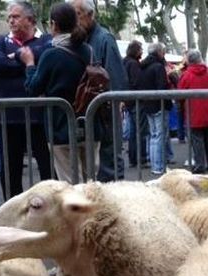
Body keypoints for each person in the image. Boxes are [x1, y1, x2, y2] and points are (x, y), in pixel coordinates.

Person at [0, 1, 52, 198]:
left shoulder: (47, 40)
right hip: (10, 119)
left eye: (15, 16)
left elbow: (45, 58)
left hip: (40, 118)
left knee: (48, 169)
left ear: (30, 19)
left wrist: (12, 61)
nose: (11, 21)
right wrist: (23, 60)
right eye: (9, 18)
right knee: (10, 172)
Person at [22, 2, 91, 182]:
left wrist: (29, 64)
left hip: (61, 128)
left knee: (70, 186)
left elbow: (32, 89)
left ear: (54, 24)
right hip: (90, 125)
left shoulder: (51, 54)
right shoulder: (88, 50)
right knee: (91, 185)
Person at [71, 0, 128, 182]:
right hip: (89, 112)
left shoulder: (104, 38)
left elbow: (116, 77)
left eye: (77, 14)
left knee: (109, 158)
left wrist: (115, 104)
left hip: (105, 110)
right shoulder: (80, 39)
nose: (75, 20)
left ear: (90, 15)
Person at [136, 42, 171, 176]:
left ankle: (155, 163)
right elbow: (162, 86)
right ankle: (158, 165)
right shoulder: (158, 67)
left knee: (153, 136)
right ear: (159, 52)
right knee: (159, 136)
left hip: (148, 105)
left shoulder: (143, 66)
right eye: (163, 51)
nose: (164, 54)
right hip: (159, 105)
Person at [179, 49, 208, 173]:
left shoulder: (186, 75)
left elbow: (180, 93)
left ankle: (200, 165)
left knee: (197, 140)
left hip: (193, 112)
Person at [123, 40, 149, 168]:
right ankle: (141, 158)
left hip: (129, 101)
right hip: (137, 101)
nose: (142, 52)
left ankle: (134, 158)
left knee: (133, 132)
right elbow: (136, 82)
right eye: (140, 49)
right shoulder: (133, 64)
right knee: (140, 131)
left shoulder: (125, 62)